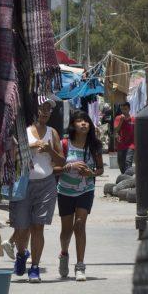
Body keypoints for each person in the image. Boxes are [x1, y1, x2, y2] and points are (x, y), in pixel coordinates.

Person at [10, 100, 65, 282]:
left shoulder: (52, 132)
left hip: (46, 184)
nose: (45, 112)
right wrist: (32, 146)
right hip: (23, 184)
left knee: (38, 227)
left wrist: (50, 150)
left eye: (48, 109)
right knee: (22, 227)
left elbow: (61, 161)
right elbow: (12, 155)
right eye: (42, 108)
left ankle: (35, 268)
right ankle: (21, 254)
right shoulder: (23, 131)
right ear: (35, 110)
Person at [56, 111, 104, 281]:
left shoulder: (94, 146)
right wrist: (70, 167)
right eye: (79, 121)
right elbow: (55, 168)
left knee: (79, 225)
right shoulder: (64, 144)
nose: (83, 123)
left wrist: (91, 173)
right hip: (65, 191)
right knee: (66, 231)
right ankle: (64, 253)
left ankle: (80, 265)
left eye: (86, 121)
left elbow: (100, 169)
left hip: (86, 190)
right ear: (73, 125)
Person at [113, 102, 136, 173]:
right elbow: (116, 130)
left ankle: (127, 177)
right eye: (122, 109)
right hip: (121, 144)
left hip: (131, 145)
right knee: (121, 163)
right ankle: (124, 176)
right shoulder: (118, 118)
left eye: (125, 109)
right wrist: (121, 121)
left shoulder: (133, 119)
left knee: (128, 162)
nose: (123, 111)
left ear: (129, 109)